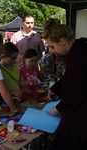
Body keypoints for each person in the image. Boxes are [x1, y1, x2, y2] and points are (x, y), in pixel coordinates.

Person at [43, 18, 87, 150]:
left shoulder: (80, 55)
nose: (52, 51)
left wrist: (58, 108)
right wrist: (55, 89)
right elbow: (70, 78)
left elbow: (77, 89)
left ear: (62, 41)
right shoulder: (78, 50)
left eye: (52, 47)